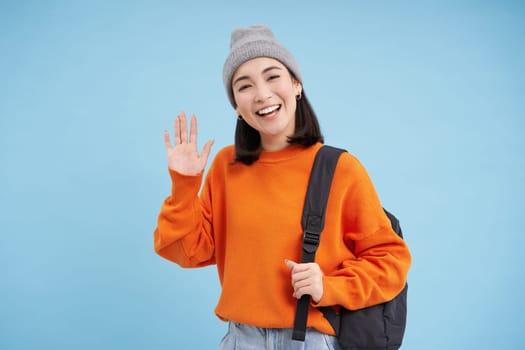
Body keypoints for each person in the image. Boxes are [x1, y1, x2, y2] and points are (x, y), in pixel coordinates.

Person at [154, 25, 411, 350]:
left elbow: (391, 261)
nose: (262, 94)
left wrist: (328, 287)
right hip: (241, 339)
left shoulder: (340, 169)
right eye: (244, 86)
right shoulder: (226, 166)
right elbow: (187, 251)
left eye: (272, 76)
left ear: (296, 85)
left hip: (311, 340)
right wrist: (184, 185)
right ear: (237, 106)